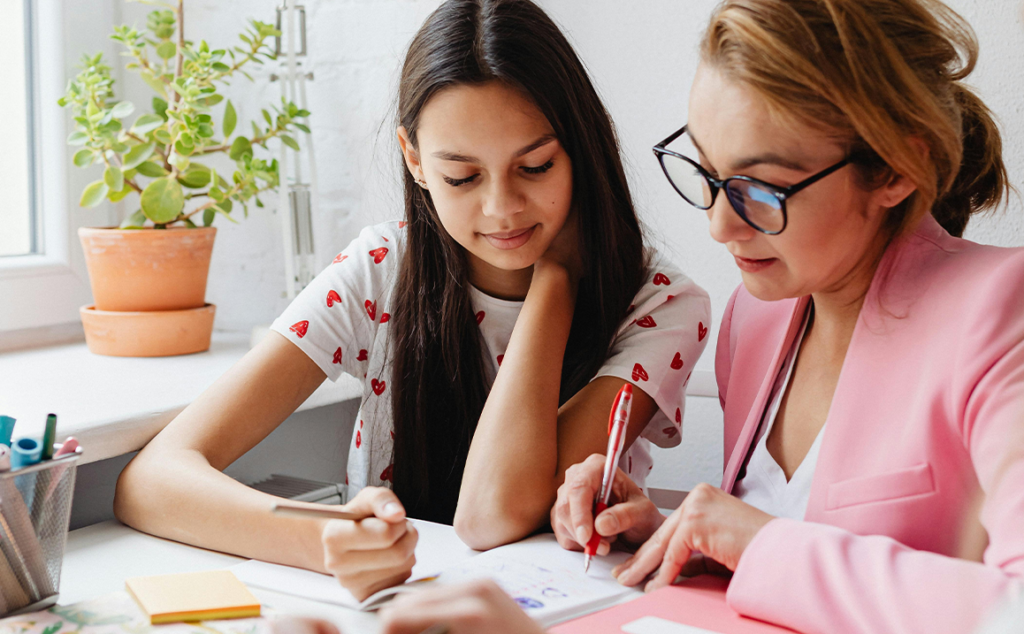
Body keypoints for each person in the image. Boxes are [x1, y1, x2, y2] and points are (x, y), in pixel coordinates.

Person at [113, 0, 710, 602]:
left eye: (535, 166)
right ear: (415, 159)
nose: (502, 208)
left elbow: (492, 514)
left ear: (580, 149)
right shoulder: (379, 272)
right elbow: (152, 481)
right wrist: (321, 538)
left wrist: (555, 281)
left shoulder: (661, 305)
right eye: (462, 177)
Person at [551, 0, 1024, 632]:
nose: (719, 226)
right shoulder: (756, 318)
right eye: (710, 174)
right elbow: (793, 556)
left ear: (892, 169)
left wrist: (754, 542)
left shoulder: (1002, 311)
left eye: (759, 189)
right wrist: (679, 537)